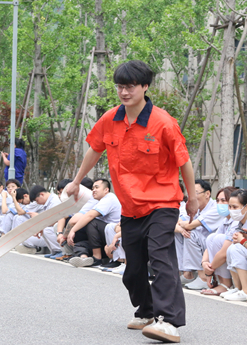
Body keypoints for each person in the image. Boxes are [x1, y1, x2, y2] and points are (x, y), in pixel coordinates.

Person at [64, 60, 197, 343]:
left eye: (130, 87)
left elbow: (184, 161)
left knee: (161, 258)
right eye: (120, 87)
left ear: (145, 87)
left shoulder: (163, 122)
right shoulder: (110, 119)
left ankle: (169, 321)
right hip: (131, 207)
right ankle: (146, 311)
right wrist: (76, 180)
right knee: (133, 268)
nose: (124, 92)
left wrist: (193, 198)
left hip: (162, 202)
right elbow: (94, 150)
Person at [66, 178, 122, 267]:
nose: (94, 190)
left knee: (92, 223)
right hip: (104, 238)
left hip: (115, 236)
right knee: (80, 244)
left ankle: (97, 258)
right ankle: (84, 258)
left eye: (97, 187)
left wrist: (72, 230)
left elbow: (90, 215)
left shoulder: (109, 198)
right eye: (93, 188)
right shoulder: (98, 201)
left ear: (106, 190)